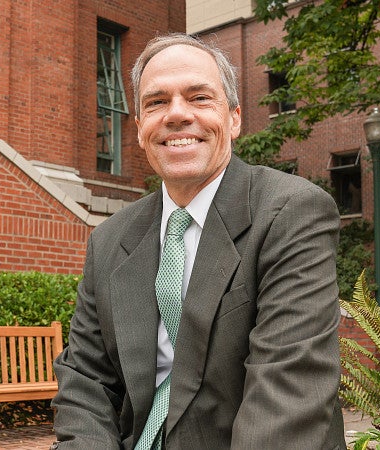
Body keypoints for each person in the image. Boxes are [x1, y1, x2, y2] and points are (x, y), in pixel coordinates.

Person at [50, 33, 345, 449]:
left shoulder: (292, 213)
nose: (176, 115)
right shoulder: (110, 240)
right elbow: (86, 384)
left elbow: (288, 393)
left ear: (235, 118)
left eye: (199, 98)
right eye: (156, 102)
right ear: (139, 129)